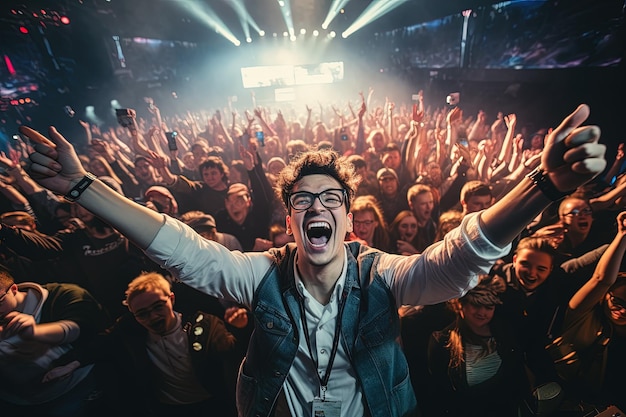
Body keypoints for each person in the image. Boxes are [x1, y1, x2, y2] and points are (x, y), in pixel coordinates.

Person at [21, 103, 606, 417]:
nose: (317, 207)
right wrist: (82, 187)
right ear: (290, 222)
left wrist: (542, 186)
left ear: (349, 220)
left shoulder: (381, 273)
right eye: (303, 201)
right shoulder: (261, 275)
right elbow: (184, 250)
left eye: (332, 199)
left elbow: (454, 264)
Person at [43, 272, 240, 417]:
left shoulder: (204, 324)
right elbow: (100, 344)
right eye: (143, 313)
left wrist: (241, 328)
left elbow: (233, 354)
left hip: (212, 406)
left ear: (171, 298)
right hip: (167, 409)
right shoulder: (131, 330)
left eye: (158, 307)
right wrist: (71, 363)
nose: (153, 316)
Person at [546, 211, 626, 412]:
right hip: (571, 403)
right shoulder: (582, 314)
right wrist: (623, 235)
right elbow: (602, 279)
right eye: (617, 300)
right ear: (605, 296)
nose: (622, 309)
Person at [0, 267, 107, 416]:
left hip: (76, 387)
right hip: (20, 403)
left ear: (13, 289)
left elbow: (79, 328)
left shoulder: (63, 294)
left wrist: (35, 332)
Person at [423, 277, 530, 417]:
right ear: (461, 304)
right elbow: (439, 390)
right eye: (476, 305)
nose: (482, 312)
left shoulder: (506, 333)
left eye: (488, 307)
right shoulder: (442, 341)